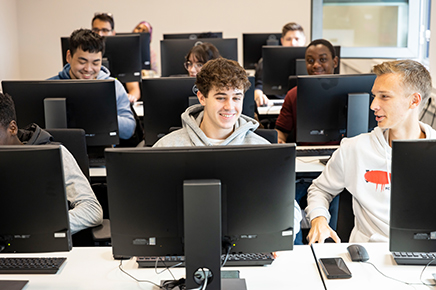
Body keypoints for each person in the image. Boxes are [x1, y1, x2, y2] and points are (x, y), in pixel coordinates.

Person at [153, 58, 302, 239]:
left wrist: (277, 239)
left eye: (236, 98)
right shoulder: (166, 148)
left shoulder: (261, 149)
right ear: (202, 98)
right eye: (221, 97)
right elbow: (149, 205)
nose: (229, 106)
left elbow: (288, 206)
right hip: (181, 245)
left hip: (247, 244)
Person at [305, 59, 436, 244]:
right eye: (374, 95)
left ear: (414, 101)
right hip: (368, 259)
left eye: (384, 96)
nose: (373, 105)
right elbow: (320, 189)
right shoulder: (354, 148)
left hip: (427, 256)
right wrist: (319, 219)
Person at [0, 92, 103, 235]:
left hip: (40, 244)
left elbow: (91, 210)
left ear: (12, 128)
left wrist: (39, 228)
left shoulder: (54, 153)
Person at [49, 28, 136, 140]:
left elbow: (129, 130)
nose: (88, 69)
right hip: (60, 151)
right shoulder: (51, 86)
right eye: (82, 62)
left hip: (101, 153)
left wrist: (104, 114)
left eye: (95, 63)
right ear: (69, 57)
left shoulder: (113, 86)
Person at [275, 39, 339, 144]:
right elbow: (281, 130)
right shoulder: (294, 95)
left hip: (342, 154)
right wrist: (279, 139)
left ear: (335, 62)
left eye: (322, 59)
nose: (316, 65)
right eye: (310, 61)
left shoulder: (350, 94)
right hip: (305, 157)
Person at [91, 13, 141, 103]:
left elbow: (134, 90)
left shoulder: (124, 53)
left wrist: (130, 97)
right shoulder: (84, 54)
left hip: (119, 103)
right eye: (95, 30)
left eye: (105, 30)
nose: (100, 34)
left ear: (113, 33)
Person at [254, 22, 306, 107]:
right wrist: (258, 95)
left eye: (297, 39)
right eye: (288, 39)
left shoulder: (310, 62)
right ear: (282, 41)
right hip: (273, 104)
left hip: (302, 104)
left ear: (304, 40)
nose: (292, 43)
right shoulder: (267, 60)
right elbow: (259, 86)